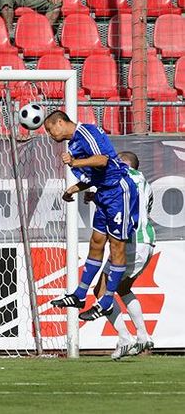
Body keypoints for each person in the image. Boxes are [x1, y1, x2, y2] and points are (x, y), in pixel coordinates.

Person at [45, 111, 139, 321]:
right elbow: (94, 175)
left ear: (60, 122)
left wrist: (75, 162)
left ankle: (106, 301)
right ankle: (80, 294)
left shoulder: (86, 132)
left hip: (118, 192)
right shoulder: (74, 145)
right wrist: (73, 189)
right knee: (96, 242)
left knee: (116, 246)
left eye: (50, 130)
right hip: (104, 194)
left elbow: (103, 161)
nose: (50, 135)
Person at [85, 151, 156, 360]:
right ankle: (143, 336)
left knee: (100, 291)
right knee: (124, 288)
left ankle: (125, 338)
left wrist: (93, 195)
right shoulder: (145, 183)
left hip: (131, 245)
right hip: (148, 241)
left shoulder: (120, 177)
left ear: (124, 163)